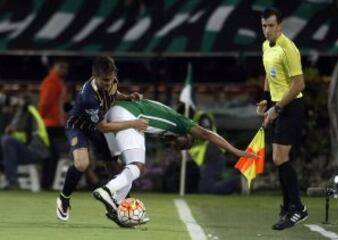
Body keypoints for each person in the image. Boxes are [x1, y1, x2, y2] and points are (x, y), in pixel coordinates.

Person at [92, 99, 259, 226]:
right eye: (183, 143)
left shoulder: (163, 123)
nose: (177, 146)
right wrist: (235, 151)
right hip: (128, 115)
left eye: (179, 147)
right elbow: (208, 134)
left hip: (114, 113)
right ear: (187, 134)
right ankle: (107, 190)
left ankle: (117, 209)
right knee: (137, 167)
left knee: (127, 169)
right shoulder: (182, 123)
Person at [56, 56, 148, 222]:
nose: (108, 83)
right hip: (79, 127)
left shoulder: (111, 81)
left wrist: (127, 97)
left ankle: (124, 207)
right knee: (82, 163)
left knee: (115, 168)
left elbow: (113, 94)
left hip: (96, 126)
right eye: (104, 80)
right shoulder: (88, 97)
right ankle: (64, 199)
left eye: (111, 79)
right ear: (94, 75)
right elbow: (103, 127)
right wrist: (134, 123)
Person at [256, 8, 308, 230]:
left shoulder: (288, 48)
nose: (267, 30)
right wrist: (266, 100)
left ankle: (297, 209)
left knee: (279, 157)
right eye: (264, 26)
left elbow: (299, 84)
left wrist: (277, 108)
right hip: (278, 106)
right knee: (279, 158)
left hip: (292, 106)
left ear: (280, 26)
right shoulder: (266, 46)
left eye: (270, 25)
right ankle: (288, 207)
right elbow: (270, 74)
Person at [1, 96, 50, 190]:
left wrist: (10, 128)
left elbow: (14, 128)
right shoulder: (25, 110)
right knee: (5, 141)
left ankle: (12, 182)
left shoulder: (26, 110)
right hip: (27, 148)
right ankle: (6, 177)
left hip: (37, 151)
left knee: (7, 140)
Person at [38, 58, 69, 189]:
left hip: (55, 123)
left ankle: (47, 183)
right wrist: (41, 120)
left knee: (53, 154)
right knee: (52, 154)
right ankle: (46, 183)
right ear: (56, 67)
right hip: (50, 124)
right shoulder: (52, 82)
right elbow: (44, 103)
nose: (65, 71)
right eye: (63, 67)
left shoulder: (57, 82)